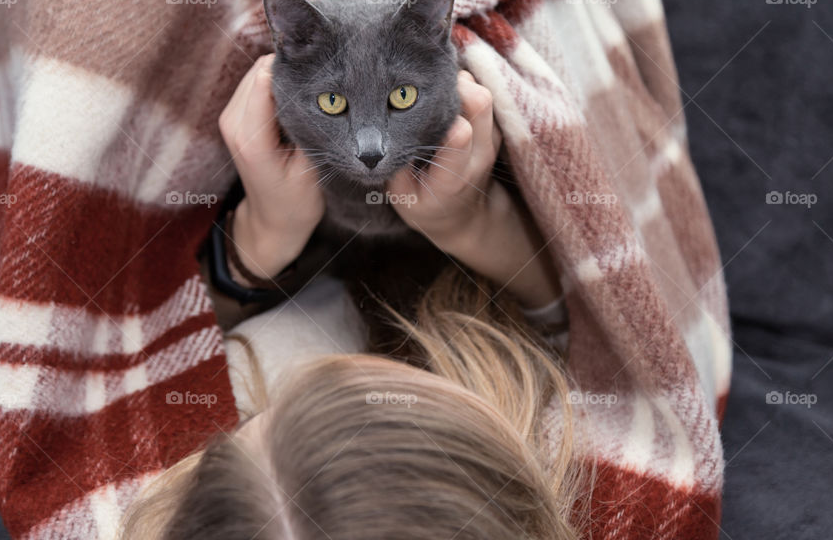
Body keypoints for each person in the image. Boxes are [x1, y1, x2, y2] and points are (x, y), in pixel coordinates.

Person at [120, 57, 585, 539]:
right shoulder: (569, 438)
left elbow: (132, 345)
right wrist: (475, 223)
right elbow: (579, 342)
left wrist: (255, 247)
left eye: (244, 421)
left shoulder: (118, 492)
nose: (305, 372)